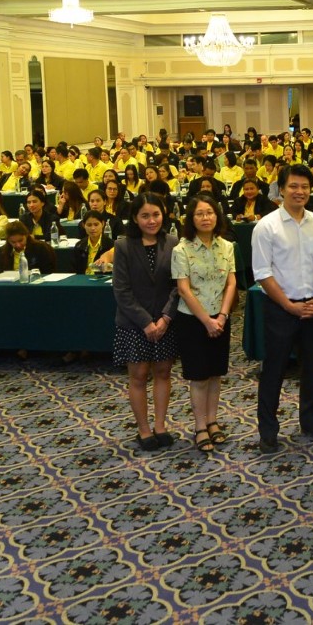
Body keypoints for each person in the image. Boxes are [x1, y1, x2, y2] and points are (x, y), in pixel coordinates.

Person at [251, 164, 313, 453]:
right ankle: (268, 430)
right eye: (293, 186)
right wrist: (289, 305)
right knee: (274, 370)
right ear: (281, 189)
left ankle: (310, 421)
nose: (300, 191)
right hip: (280, 309)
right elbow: (262, 273)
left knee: (312, 368)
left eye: (305, 187)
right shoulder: (266, 226)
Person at [112, 193, 180, 452]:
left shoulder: (173, 243)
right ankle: (144, 429)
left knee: (163, 372)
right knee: (139, 376)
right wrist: (146, 323)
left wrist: (165, 318)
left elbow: (178, 286)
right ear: (134, 218)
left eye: (156, 214)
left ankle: (160, 426)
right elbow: (121, 290)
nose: (152, 221)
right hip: (134, 323)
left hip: (165, 322)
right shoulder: (123, 246)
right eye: (145, 216)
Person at [172, 192, 238, 452]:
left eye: (209, 212)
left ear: (217, 216)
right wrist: (207, 321)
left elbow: (231, 283)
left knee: (215, 373)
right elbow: (183, 290)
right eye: (199, 213)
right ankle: (200, 426)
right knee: (199, 376)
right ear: (191, 218)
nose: (205, 217)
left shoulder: (227, 246)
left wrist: (222, 316)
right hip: (193, 321)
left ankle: (213, 421)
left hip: (220, 318)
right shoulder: (181, 249)